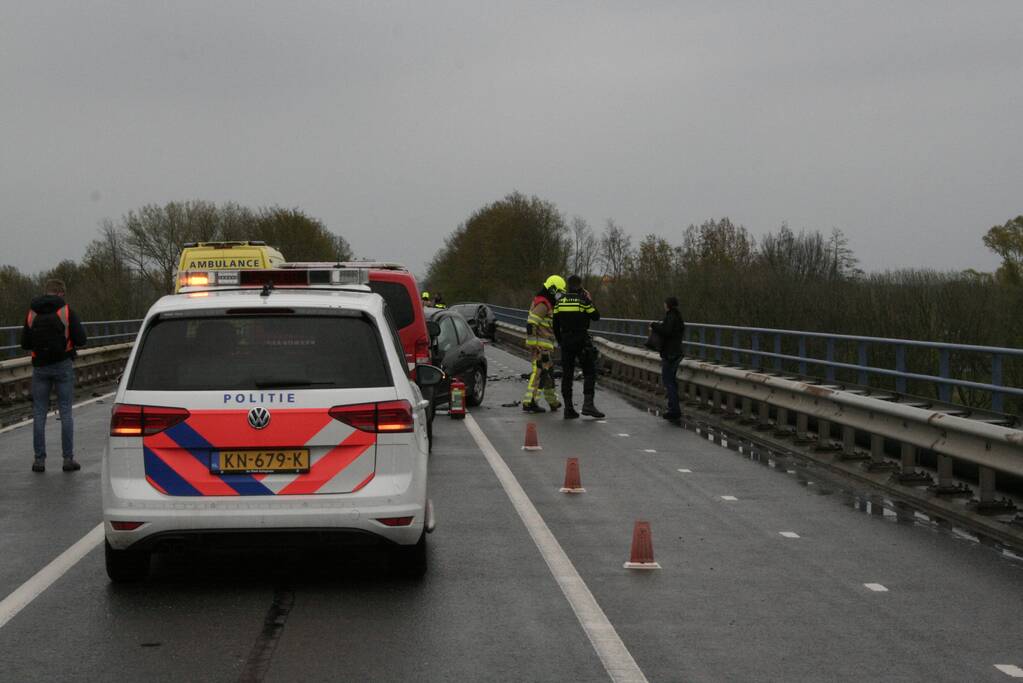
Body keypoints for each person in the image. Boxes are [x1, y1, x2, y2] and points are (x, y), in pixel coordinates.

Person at [21, 279, 88, 472]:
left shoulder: (32, 312)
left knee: (39, 412)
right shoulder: (66, 311)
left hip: (40, 367)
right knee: (65, 412)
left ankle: (39, 460)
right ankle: (68, 459)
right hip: (62, 365)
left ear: (46, 291)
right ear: (60, 293)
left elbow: (24, 343)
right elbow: (81, 339)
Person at [553, 275, 604, 419]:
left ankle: (568, 408)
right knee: (590, 372)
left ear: (568, 285)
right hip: (581, 341)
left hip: (566, 341)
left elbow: (555, 324)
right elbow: (596, 316)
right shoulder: (583, 300)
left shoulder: (560, 302)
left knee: (567, 375)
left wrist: (561, 341)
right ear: (580, 285)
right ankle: (588, 405)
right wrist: (590, 300)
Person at [522, 275, 565, 413]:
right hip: (540, 347)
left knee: (548, 374)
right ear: (552, 290)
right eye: (559, 292)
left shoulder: (548, 303)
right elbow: (531, 323)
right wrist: (534, 345)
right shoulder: (543, 304)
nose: (560, 296)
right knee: (539, 373)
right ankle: (530, 402)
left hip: (545, 346)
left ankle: (553, 401)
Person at [650, 296, 685, 422]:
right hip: (676, 352)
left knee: (668, 381)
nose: (664, 306)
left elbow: (667, 331)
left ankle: (674, 410)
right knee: (671, 381)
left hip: (670, 353)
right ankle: (673, 409)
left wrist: (654, 325)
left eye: (665, 304)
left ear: (668, 305)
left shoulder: (671, 317)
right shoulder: (678, 317)